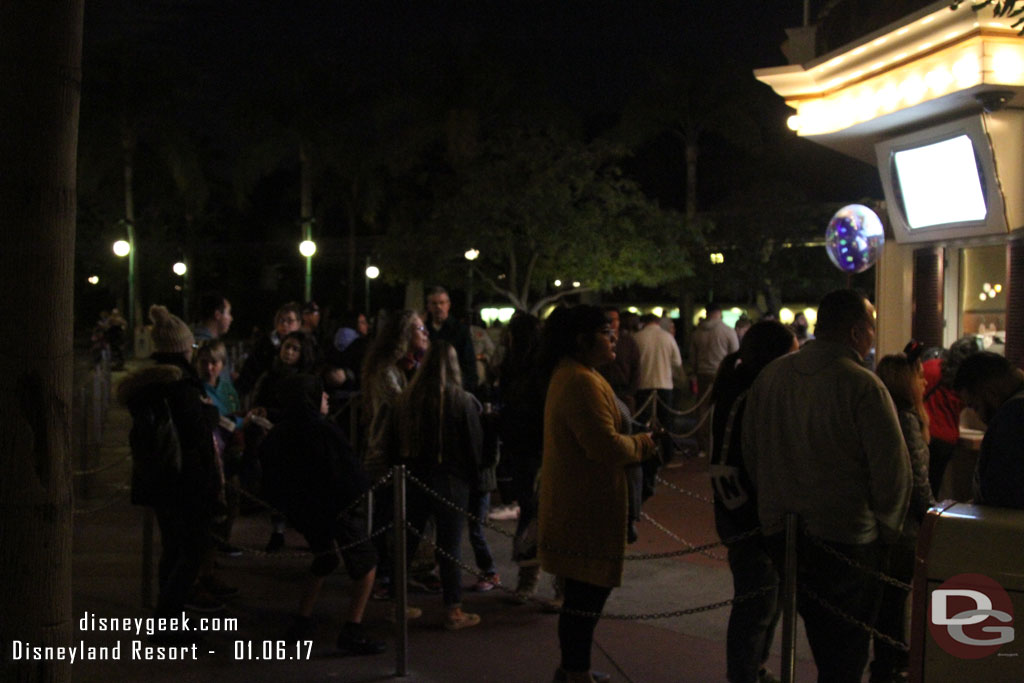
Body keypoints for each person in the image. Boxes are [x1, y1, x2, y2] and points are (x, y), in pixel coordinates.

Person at [742, 289, 911, 683]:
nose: (872, 336)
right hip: (848, 537)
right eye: (871, 327)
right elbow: (892, 471)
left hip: (782, 531)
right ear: (856, 332)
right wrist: (888, 529)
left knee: (819, 634)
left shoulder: (772, 377)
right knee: (846, 649)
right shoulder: (862, 385)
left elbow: (752, 452)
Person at [538, 305, 657, 683]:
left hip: (582, 503)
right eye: (607, 332)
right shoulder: (580, 381)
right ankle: (575, 671)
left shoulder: (579, 375)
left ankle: (576, 669)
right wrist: (645, 443)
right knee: (584, 599)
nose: (614, 338)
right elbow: (604, 446)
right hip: (586, 508)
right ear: (581, 339)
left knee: (583, 599)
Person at [258, 374, 385, 656]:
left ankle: (302, 619)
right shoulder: (323, 430)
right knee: (366, 565)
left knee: (324, 558)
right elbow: (349, 471)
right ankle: (353, 628)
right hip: (337, 509)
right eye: (322, 393)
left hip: (305, 512)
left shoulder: (281, 432)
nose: (326, 397)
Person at [117, 305, 225, 634]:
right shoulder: (181, 387)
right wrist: (207, 415)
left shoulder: (147, 387)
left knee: (173, 548)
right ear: (181, 348)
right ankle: (167, 620)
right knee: (191, 552)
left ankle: (170, 616)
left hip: (158, 479)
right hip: (185, 482)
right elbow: (196, 437)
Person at [709, 320, 796, 683]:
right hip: (750, 520)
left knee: (769, 601)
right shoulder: (746, 393)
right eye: (792, 353)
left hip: (759, 516)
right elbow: (725, 467)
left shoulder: (755, 388)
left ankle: (755, 667)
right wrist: (751, 520)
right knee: (756, 603)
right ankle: (743, 673)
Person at [392, 341, 484, 630]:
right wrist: (478, 484)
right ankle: (453, 609)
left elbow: (393, 443)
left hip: (414, 477)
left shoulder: (406, 399)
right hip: (451, 480)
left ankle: (399, 605)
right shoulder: (462, 400)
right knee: (450, 547)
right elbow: (474, 449)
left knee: (406, 543)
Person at [870, 344, 936, 683]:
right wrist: (933, 519)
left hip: (881, 524)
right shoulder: (909, 421)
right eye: (920, 377)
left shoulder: (880, 414)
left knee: (886, 603)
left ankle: (886, 661)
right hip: (905, 528)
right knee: (895, 602)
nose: (925, 383)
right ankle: (891, 665)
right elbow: (918, 481)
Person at [496, 312, 547, 600]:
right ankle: (530, 577)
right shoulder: (517, 367)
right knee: (531, 511)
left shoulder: (533, 369)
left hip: (532, 447)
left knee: (535, 511)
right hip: (525, 447)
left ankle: (531, 579)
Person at [954, 351, 1024, 509]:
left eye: (975, 406)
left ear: (989, 391)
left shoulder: (1013, 416)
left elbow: (1001, 496)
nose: (981, 418)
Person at [922, 336, 980, 497]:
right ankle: (930, 518)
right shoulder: (968, 384)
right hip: (945, 439)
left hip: (923, 432)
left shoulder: (931, 367)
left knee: (919, 483)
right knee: (934, 485)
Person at [690, 303, 739, 455]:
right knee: (722, 407)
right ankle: (718, 442)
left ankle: (702, 444)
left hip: (703, 373)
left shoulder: (697, 332)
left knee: (702, 409)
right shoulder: (727, 331)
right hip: (722, 373)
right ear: (719, 312)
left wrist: (695, 371)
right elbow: (735, 353)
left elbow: (692, 357)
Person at [236, 302, 302, 397]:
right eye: (281, 320)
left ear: (298, 323)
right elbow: (250, 371)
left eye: (290, 321)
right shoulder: (264, 344)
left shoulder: (305, 344)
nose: (284, 324)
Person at [424, 286, 478, 391]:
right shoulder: (424, 330)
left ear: (448, 305)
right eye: (434, 303)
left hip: (454, 386)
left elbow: (468, 363)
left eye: (442, 303)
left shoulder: (460, 330)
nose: (438, 307)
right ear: (429, 306)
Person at [597, 307, 640, 414]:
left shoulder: (628, 341)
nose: (613, 323)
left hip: (624, 391)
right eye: (610, 320)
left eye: (616, 319)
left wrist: (630, 392)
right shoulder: (599, 341)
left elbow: (636, 367)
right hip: (604, 389)